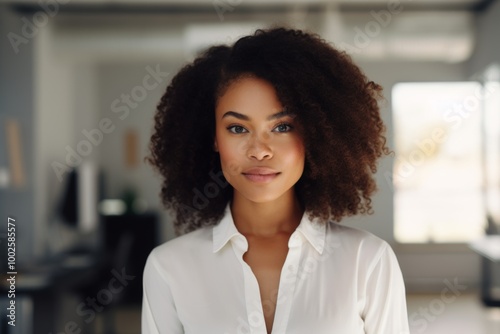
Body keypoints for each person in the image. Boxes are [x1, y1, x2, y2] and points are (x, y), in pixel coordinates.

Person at [142, 25, 409, 334]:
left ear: (316, 133)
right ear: (213, 136)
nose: (259, 151)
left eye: (282, 127)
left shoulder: (368, 260)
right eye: (237, 128)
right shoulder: (169, 267)